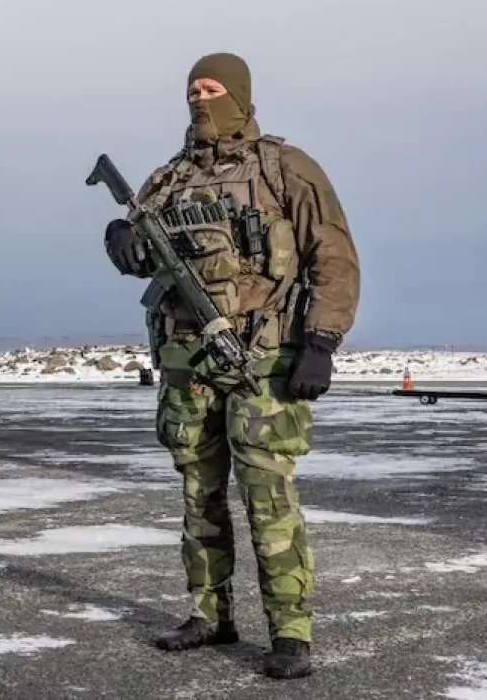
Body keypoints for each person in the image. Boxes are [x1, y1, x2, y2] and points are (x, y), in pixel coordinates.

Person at [103, 52, 360, 680]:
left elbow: (333, 257)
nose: (200, 97)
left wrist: (321, 342)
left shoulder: (285, 168)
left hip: (264, 359)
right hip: (187, 362)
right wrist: (119, 235)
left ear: (239, 94)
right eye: (192, 88)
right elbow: (144, 250)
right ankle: (209, 615)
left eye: (212, 87)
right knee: (199, 494)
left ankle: (290, 633)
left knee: (268, 496)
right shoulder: (168, 179)